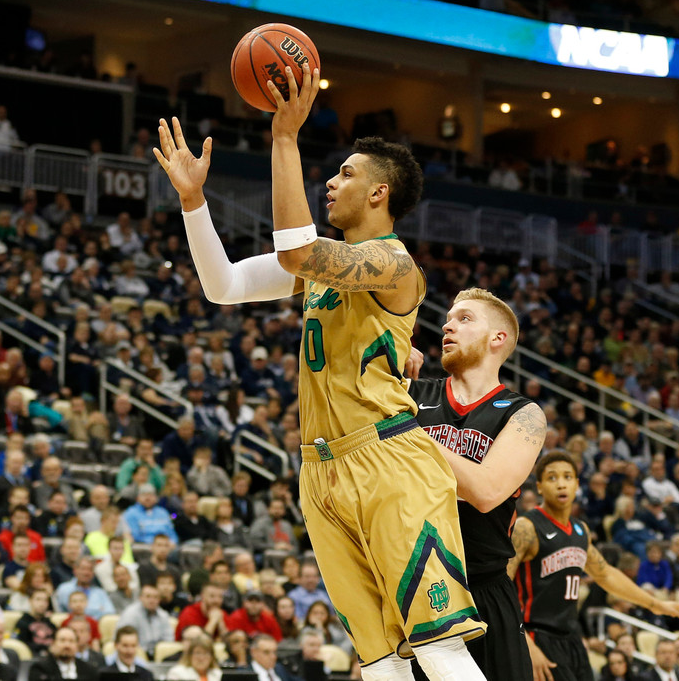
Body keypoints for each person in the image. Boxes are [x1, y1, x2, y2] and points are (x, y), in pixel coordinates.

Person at [154, 63, 488, 679]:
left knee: (439, 648)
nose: (332, 183)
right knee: (379, 659)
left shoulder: (393, 266)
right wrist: (194, 203)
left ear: (379, 193)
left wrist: (285, 139)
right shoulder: (318, 270)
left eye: (346, 174)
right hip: (321, 469)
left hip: (389, 462)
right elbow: (223, 286)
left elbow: (298, 249)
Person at [407, 287, 544, 681]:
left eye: (465, 319)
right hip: (417, 584)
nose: (448, 325)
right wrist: (384, 372)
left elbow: (485, 493)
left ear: (497, 338)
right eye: (449, 318)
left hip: (484, 589)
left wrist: (405, 428)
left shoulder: (524, 413)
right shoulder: (411, 394)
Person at [508, 452, 679, 681]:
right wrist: (524, 644)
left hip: (572, 637)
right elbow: (501, 587)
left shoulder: (580, 530)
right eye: (552, 478)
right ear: (540, 487)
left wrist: (654, 604)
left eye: (567, 477)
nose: (561, 484)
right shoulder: (527, 527)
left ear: (576, 484)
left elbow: (606, 575)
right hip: (535, 635)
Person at [27, 626, 98, 681]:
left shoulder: (88, 670)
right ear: (53, 643)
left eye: (71, 641)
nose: (67, 645)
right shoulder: (40, 668)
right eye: (62, 640)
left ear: (77, 645)